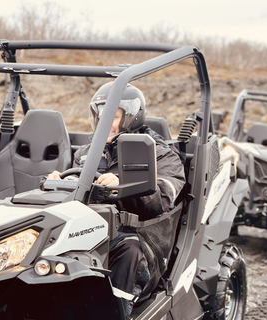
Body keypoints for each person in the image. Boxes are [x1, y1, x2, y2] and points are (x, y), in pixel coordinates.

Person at [46, 81, 186, 318]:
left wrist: (125, 187)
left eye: (113, 115)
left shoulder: (162, 156)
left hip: (142, 237)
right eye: (101, 115)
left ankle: (116, 313)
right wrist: (58, 182)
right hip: (91, 229)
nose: (104, 121)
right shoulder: (86, 153)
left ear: (131, 117)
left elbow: (160, 202)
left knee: (127, 251)